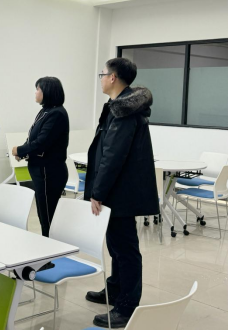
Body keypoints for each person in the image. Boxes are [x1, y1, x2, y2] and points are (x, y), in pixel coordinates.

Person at [84, 57, 159, 328]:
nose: (101, 79)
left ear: (113, 78)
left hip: (120, 192)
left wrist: (98, 192)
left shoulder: (123, 112)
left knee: (125, 249)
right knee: (116, 245)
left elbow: (113, 155)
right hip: (118, 190)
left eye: (103, 74)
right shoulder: (119, 106)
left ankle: (127, 307)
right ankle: (115, 289)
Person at [12, 77, 69, 237]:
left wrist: (20, 150)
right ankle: (49, 247)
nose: (35, 92)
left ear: (47, 92)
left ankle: (52, 249)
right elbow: (33, 137)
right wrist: (23, 152)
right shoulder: (46, 111)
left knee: (48, 217)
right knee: (44, 214)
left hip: (49, 172)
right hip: (41, 170)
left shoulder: (57, 114)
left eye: (38, 89)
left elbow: (42, 142)